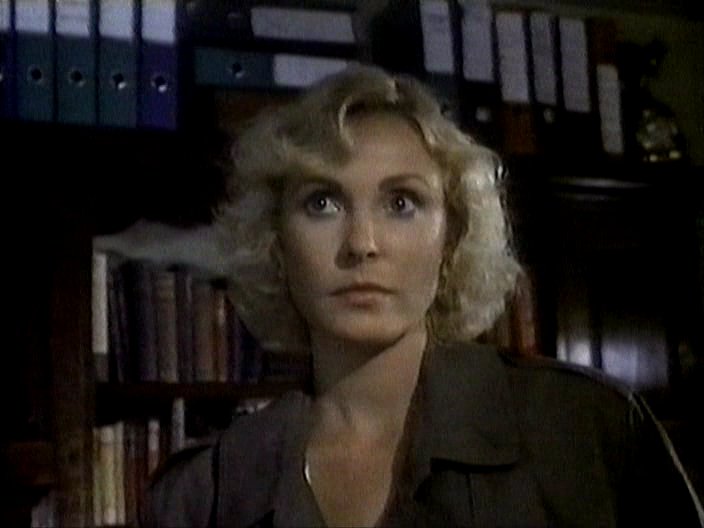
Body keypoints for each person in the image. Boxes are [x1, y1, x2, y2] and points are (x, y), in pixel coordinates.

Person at [140, 65, 704, 527]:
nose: (362, 244)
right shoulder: (206, 492)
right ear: (277, 241)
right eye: (322, 203)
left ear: (451, 238)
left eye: (401, 203)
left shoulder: (588, 433)